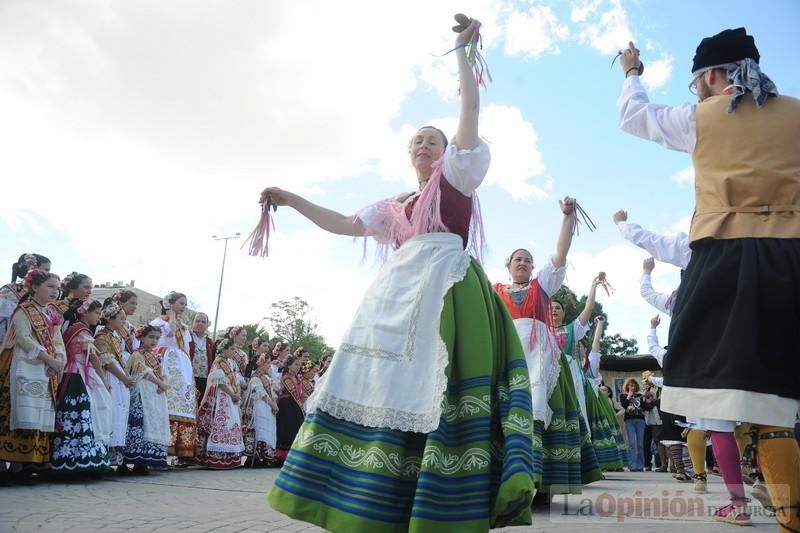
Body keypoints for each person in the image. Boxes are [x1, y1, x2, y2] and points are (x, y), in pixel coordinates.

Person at [266, 16, 535, 531]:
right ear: (408, 152)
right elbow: (344, 224)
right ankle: (371, 491)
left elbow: (470, 109)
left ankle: (443, 494)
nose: (425, 146)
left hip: (448, 287)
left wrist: (462, 50)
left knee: (441, 381)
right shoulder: (396, 206)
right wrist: (290, 198)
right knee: (379, 380)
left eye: (434, 140)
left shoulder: (457, 177)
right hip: (398, 293)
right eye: (418, 140)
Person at [617, 28, 799, 529]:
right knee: (778, 393)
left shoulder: (702, 116)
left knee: (716, 390)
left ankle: (753, 502)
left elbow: (635, 117)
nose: (697, 91)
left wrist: (633, 72)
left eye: (698, 81)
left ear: (715, 76)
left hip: (725, 255)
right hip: (790, 256)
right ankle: (789, 510)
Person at [494, 236, 603, 494]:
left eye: (528, 260)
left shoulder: (541, 286)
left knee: (541, 413)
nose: (523, 263)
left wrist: (568, 218)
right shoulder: (494, 291)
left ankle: (541, 485)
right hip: (508, 356)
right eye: (518, 259)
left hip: (541, 359)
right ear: (508, 265)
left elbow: (560, 253)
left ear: (533, 268)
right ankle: (508, 482)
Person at [0, 270, 65, 485]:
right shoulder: (24, 311)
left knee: (40, 415)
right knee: (20, 410)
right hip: (23, 364)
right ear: (35, 287)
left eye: (57, 288)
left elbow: (58, 341)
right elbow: (24, 339)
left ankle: (31, 463)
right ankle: (15, 466)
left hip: (47, 368)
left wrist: (59, 361)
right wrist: (49, 359)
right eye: (50, 286)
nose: (55, 291)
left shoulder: (52, 314)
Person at [50, 298, 112, 475]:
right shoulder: (82, 331)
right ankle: (84, 460)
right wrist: (104, 380)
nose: (99, 317)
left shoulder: (72, 329)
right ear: (84, 312)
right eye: (97, 313)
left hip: (72, 375)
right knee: (89, 412)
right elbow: (93, 358)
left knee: (77, 414)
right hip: (80, 376)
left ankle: (69, 457)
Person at [150, 292, 197, 461]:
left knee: (183, 404)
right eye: (181, 303)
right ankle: (160, 450)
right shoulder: (159, 322)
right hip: (166, 362)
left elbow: (185, 346)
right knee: (167, 403)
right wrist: (171, 318)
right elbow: (169, 335)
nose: (184, 307)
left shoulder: (183, 326)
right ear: (170, 303)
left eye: (185, 304)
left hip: (182, 365)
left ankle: (181, 451)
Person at [124, 325, 171, 475]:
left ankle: (145, 462)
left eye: (157, 338)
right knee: (141, 424)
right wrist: (160, 383)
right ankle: (136, 460)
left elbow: (163, 373)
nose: (154, 340)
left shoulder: (157, 356)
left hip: (155, 395)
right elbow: (143, 373)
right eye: (151, 337)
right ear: (142, 338)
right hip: (143, 394)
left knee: (153, 423)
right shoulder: (137, 355)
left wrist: (164, 383)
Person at [95, 302, 135, 473]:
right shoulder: (102, 336)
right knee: (112, 414)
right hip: (112, 377)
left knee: (120, 413)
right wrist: (123, 377)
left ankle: (117, 457)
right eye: (121, 318)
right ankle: (107, 455)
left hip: (120, 378)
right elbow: (106, 361)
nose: (123, 322)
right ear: (110, 319)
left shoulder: (115, 336)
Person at [196, 337, 244, 469]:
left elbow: (235, 380)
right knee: (223, 422)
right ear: (224, 349)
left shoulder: (231, 363)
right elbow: (219, 382)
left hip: (232, 396)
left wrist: (237, 393)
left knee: (232, 423)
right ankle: (217, 457)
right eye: (232, 349)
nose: (234, 352)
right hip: (223, 397)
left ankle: (230, 457)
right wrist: (232, 394)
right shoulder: (218, 363)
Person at [0, 254, 51, 342]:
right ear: (34, 269)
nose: (48, 274)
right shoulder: (10, 291)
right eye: (46, 269)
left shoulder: (43, 298)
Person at [241, 354, 279, 467]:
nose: (269, 365)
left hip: (267, 407)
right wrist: (273, 405)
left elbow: (272, 392)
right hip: (259, 408)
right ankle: (254, 457)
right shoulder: (255, 377)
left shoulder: (266, 377)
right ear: (261, 364)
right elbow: (261, 393)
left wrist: (274, 404)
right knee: (258, 429)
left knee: (265, 430)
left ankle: (263, 456)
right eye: (267, 363)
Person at [273, 356, 304, 464]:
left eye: (299, 365)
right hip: (287, 407)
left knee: (295, 429)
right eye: (295, 364)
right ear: (288, 365)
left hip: (294, 406)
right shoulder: (286, 378)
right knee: (286, 431)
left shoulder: (296, 378)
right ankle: (282, 456)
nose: (297, 367)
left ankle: (293, 456)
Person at [619, 378, 647, 472]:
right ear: (627, 386)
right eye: (630, 385)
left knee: (640, 443)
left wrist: (646, 399)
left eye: (634, 385)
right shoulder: (623, 395)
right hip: (629, 420)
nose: (632, 387)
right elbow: (624, 405)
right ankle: (632, 465)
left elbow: (644, 407)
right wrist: (629, 396)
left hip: (640, 420)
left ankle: (640, 465)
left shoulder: (640, 395)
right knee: (631, 442)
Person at [188, 312, 214, 401]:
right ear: (192, 323)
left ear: (207, 325)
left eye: (203, 322)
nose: (200, 323)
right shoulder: (186, 338)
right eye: (197, 321)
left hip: (205, 380)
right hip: (189, 377)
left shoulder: (210, 342)